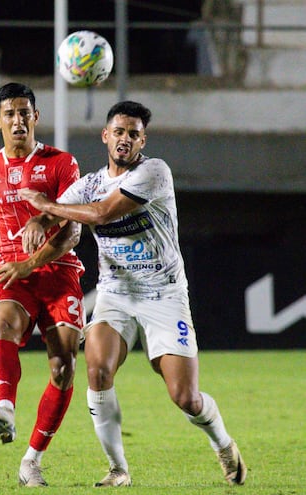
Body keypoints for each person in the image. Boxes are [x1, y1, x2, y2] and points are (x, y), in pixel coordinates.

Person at [20, 100, 247, 487]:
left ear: (143, 141)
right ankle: (118, 469)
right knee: (97, 368)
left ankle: (223, 444)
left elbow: (102, 214)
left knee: (184, 397)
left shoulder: (154, 172)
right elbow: (64, 210)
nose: (125, 139)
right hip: (116, 293)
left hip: (164, 294)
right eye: (119, 132)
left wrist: (46, 205)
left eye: (134, 134)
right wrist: (41, 219)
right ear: (105, 135)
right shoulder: (90, 183)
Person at [0, 82, 85, 487]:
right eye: (10, 114)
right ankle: (5, 413)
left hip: (59, 272)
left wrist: (32, 262)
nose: (18, 120)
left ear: (36, 117)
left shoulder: (62, 164)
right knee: (4, 322)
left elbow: (72, 232)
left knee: (63, 368)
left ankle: (32, 460)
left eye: (25, 112)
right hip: (10, 273)